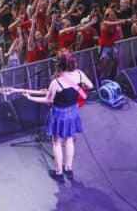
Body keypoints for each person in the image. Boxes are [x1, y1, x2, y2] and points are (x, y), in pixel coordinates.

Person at [23, 50, 93, 182]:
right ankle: (69, 169)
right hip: (73, 111)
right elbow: (90, 85)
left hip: (59, 114)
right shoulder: (79, 74)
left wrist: (30, 97)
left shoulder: (56, 82)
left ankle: (59, 173)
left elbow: (49, 100)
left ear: (59, 64)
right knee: (69, 139)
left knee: (56, 142)